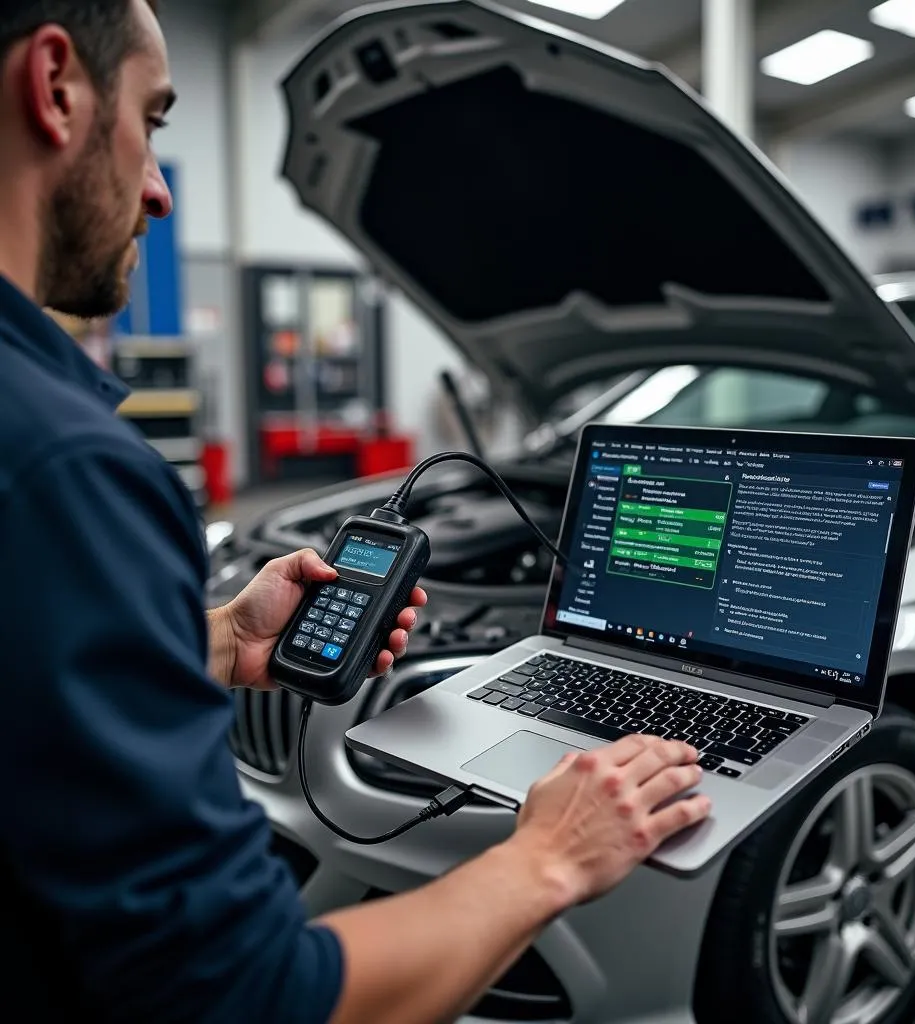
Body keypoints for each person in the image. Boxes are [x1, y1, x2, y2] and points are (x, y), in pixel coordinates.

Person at [0, 2, 713, 1021]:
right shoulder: (70, 468)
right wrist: (550, 858)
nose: (158, 189)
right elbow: (248, 996)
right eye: (154, 121)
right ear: (57, 83)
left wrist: (214, 641)